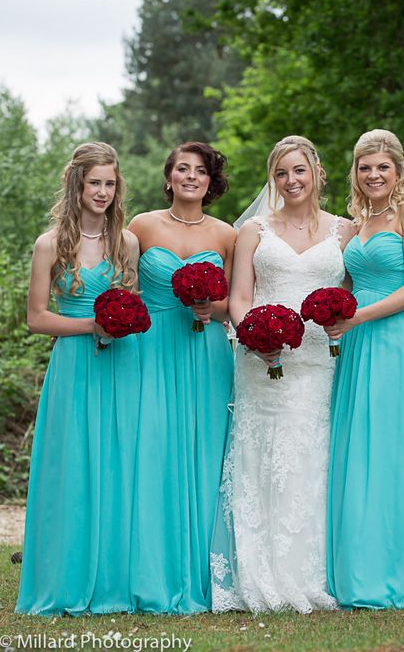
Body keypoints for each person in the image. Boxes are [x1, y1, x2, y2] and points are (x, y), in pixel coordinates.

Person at [210, 135, 356, 613]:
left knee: (309, 457)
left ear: (316, 172)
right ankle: (257, 572)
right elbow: (239, 298)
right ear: (272, 179)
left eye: (298, 170)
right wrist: (256, 338)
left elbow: (360, 287)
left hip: (318, 361)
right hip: (260, 360)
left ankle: (308, 572)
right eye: (280, 173)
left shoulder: (345, 231)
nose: (290, 181)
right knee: (260, 457)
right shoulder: (255, 230)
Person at [326, 128, 404, 609]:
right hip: (355, 341)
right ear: (355, 172)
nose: (373, 174)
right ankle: (357, 563)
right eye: (364, 166)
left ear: (398, 169)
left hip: (394, 339)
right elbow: (348, 281)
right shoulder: (356, 220)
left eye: (382, 166)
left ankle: (391, 570)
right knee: (358, 446)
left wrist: (359, 313)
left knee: (388, 446)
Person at [16, 142, 140, 616]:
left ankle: (112, 580)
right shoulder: (50, 245)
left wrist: (118, 326)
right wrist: (93, 325)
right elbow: (37, 318)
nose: (103, 192)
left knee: (115, 464)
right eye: (95, 183)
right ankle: (64, 578)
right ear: (77, 185)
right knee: (71, 468)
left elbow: (133, 302)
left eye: (110, 184)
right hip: (73, 364)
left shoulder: (125, 242)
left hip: (119, 364)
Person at [128, 141, 236, 614]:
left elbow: (235, 304)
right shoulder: (141, 226)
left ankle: (207, 572)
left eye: (200, 171)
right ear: (169, 176)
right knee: (152, 451)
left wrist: (207, 308)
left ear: (211, 182)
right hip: (150, 350)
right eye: (182, 169)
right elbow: (120, 289)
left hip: (206, 351)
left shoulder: (229, 235)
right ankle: (151, 568)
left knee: (206, 452)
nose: (191, 177)